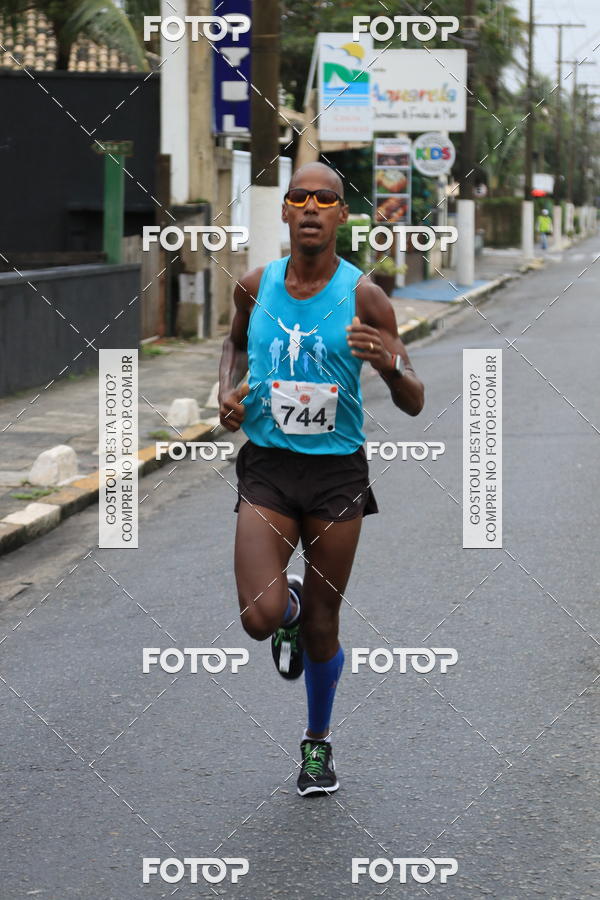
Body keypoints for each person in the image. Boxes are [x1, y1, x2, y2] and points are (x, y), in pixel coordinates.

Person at [218, 162, 424, 796]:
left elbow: (414, 399)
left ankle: (317, 743)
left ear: (341, 215)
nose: (311, 207)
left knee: (323, 626)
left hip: (337, 475)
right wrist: (225, 391)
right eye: (300, 197)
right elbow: (235, 346)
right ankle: (289, 604)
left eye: (325, 199)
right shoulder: (255, 285)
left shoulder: (366, 296)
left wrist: (390, 366)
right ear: (285, 211)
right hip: (269, 466)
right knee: (260, 617)